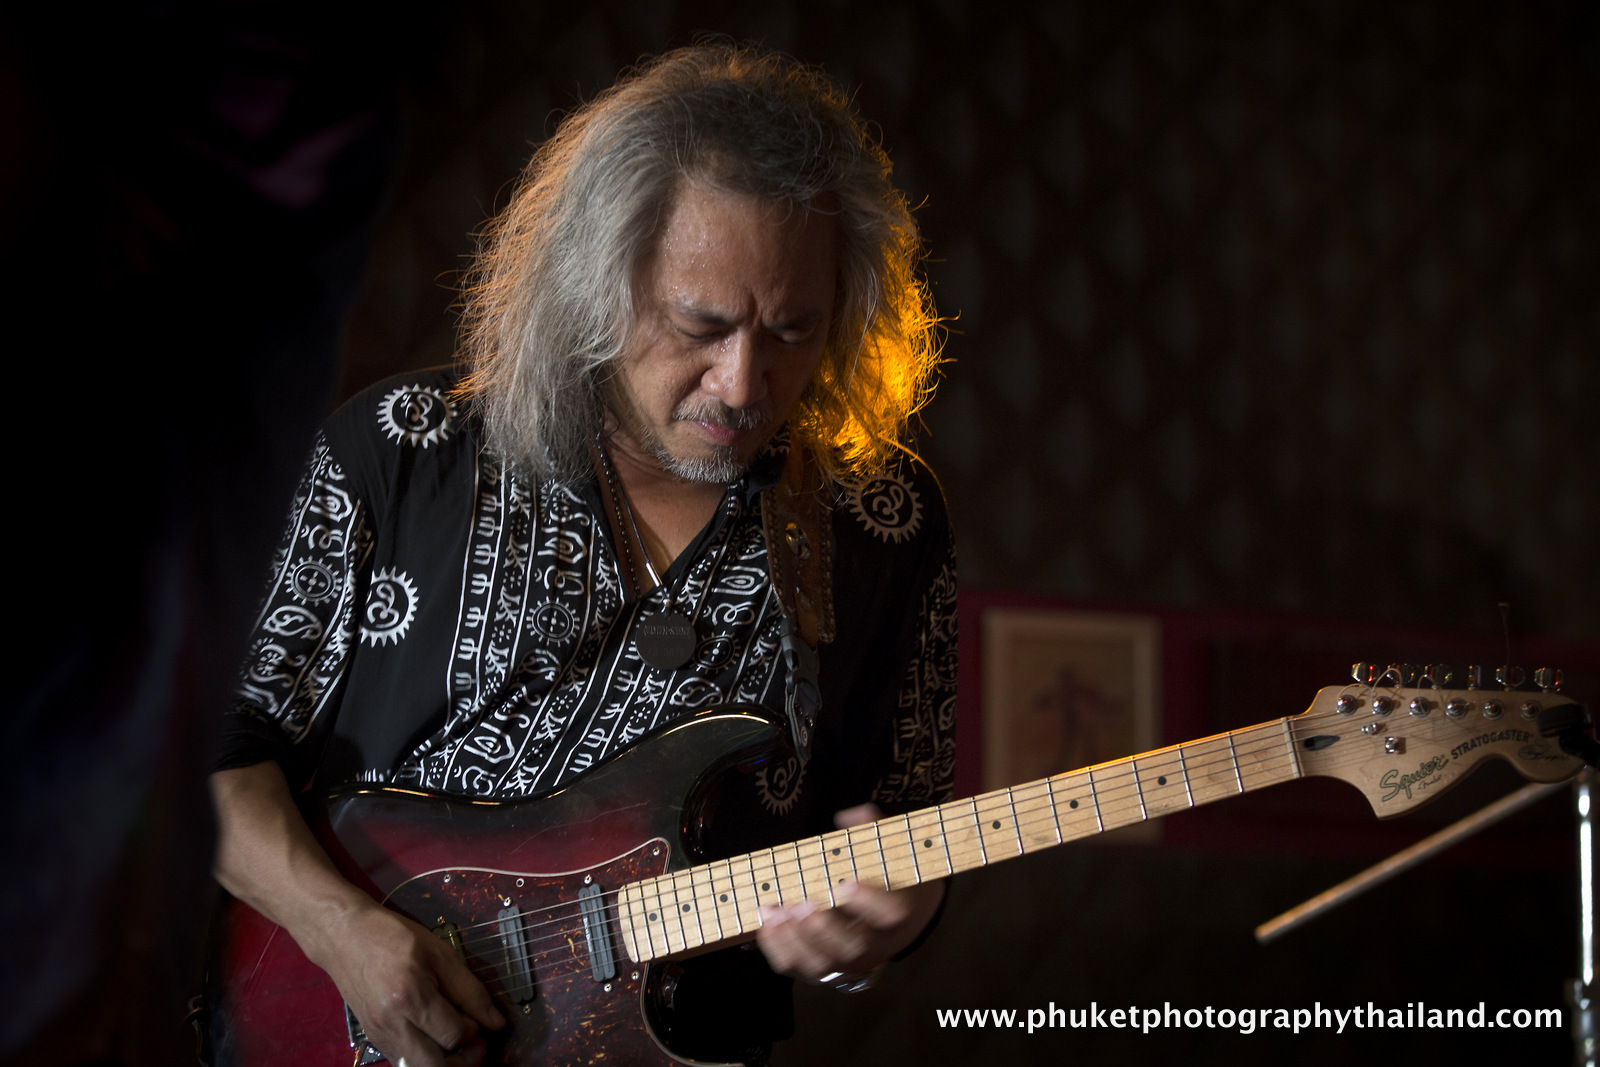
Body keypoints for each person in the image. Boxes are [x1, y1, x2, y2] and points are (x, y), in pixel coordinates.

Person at [209, 43, 956, 1067]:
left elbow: (905, 820)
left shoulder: (883, 521)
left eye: (792, 330)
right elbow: (214, 754)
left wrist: (884, 925)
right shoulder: (402, 451)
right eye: (699, 324)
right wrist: (342, 931)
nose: (743, 383)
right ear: (595, 286)